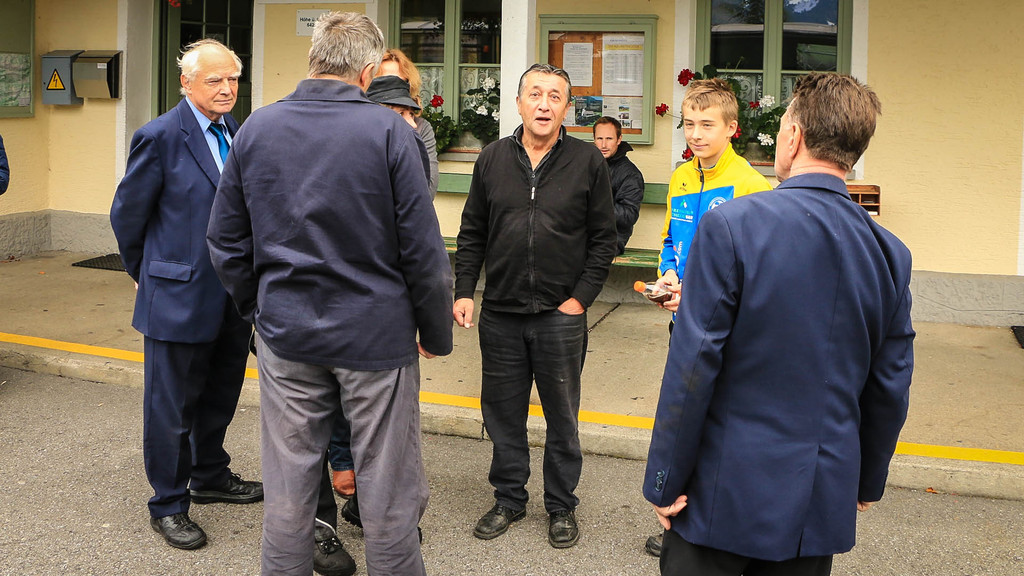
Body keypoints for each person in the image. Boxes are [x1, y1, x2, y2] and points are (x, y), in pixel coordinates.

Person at [206, 12, 453, 576]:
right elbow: (423, 250)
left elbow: (225, 239)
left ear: (314, 59)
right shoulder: (391, 132)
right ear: (367, 73)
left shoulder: (257, 128)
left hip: (287, 332)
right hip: (376, 337)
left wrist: (259, 308)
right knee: (389, 493)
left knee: (288, 491)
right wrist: (434, 331)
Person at [643, 72, 914, 576]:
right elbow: (891, 384)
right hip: (819, 494)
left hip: (724, 490)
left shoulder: (733, 224)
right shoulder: (890, 252)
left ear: (793, 136)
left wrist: (664, 479)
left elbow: (693, 365)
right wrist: (867, 479)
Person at [453, 63, 617, 549]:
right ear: (519, 102)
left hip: (559, 315)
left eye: (555, 96)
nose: (544, 105)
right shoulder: (491, 158)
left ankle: (562, 505)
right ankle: (508, 499)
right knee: (502, 415)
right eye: (535, 94)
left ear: (567, 108)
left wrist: (580, 299)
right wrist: (464, 290)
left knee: (562, 417)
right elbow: (472, 231)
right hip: (501, 313)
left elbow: (603, 239)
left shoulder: (587, 161)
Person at [109, 39, 263, 551]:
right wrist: (148, 274)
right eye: (214, 80)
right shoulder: (159, 136)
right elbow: (127, 216)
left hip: (232, 296)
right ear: (186, 82)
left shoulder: (236, 131)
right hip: (176, 296)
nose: (226, 89)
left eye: (232, 79)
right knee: (171, 409)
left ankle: (210, 475)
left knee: (220, 393)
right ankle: (169, 504)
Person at [643, 77, 772, 558]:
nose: (695, 134)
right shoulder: (681, 176)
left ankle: (722, 523)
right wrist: (669, 275)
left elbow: (754, 271)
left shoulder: (752, 185)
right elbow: (671, 240)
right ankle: (680, 517)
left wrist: (696, 295)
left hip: (726, 332)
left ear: (732, 128)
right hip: (684, 325)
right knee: (684, 424)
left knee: (720, 427)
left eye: (707, 125)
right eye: (689, 124)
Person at [328, 48, 436, 501]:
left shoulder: (415, 137)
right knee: (340, 397)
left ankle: (374, 505)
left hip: (388, 300)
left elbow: (421, 215)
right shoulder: (349, 140)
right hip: (343, 296)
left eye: (408, 111)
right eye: (394, 109)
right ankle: (344, 473)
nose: (404, 119)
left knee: (388, 414)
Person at [592, 116, 643, 255]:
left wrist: (594, 208)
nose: (603, 145)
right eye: (599, 138)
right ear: (594, 139)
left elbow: (629, 215)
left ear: (619, 140)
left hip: (611, 239)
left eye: (609, 139)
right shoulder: (588, 164)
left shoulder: (630, 174)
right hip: (583, 234)